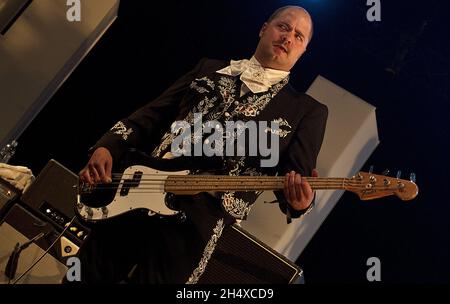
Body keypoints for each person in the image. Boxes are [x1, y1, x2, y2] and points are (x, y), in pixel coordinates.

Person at [77, 5, 328, 284]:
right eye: (283, 27)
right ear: (264, 28)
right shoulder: (208, 68)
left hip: (198, 220)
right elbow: (150, 116)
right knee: (87, 276)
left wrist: (302, 202)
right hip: (139, 188)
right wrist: (107, 147)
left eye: (299, 36)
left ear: (303, 50)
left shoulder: (306, 111)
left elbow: (294, 180)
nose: (288, 37)